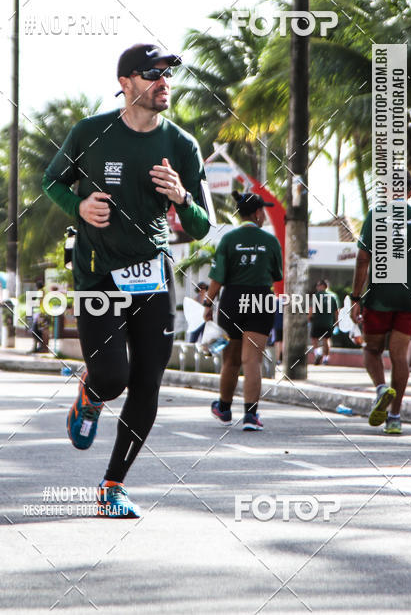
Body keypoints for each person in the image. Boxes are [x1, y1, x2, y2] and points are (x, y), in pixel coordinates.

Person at [42, 43, 210, 517]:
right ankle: (91, 395)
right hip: (98, 278)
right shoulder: (90, 134)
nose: (164, 83)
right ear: (126, 83)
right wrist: (77, 205)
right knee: (113, 377)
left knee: (148, 385)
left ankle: (112, 485)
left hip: (152, 278)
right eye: (152, 74)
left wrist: (181, 196)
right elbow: (52, 181)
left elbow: (201, 226)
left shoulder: (181, 145)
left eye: (167, 75)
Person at [350, 171, 411, 435]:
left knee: (372, 350)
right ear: (410, 193)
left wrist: (355, 298)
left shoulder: (375, 217)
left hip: (379, 297)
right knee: (399, 356)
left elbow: (363, 260)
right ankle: (395, 417)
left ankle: (380, 390)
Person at [206, 190, 283, 431]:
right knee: (253, 361)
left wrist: (208, 304)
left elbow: (217, 279)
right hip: (261, 299)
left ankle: (224, 409)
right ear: (258, 213)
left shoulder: (228, 240)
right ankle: (251, 416)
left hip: (232, 298)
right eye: (263, 211)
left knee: (231, 360)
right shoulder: (270, 241)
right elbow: (276, 275)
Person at [308, 279, 339, 365]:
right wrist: (337, 321)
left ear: (323, 286)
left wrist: (309, 318)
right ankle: (326, 358)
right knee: (327, 339)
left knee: (314, 339)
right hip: (328, 322)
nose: (317, 287)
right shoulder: (333, 296)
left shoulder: (316, 296)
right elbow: (337, 311)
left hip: (317, 321)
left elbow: (311, 310)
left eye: (318, 285)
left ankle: (318, 353)